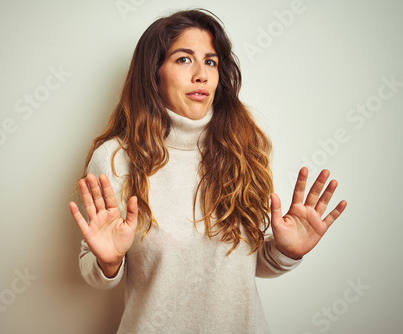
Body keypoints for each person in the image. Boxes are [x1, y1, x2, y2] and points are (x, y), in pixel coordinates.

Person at [69, 9, 347, 333]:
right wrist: (108, 261)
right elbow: (94, 270)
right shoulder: (116, 159)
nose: (201, 74)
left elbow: (247, 268)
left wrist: (285, 252)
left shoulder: (244, 149)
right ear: (153, 73)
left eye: (211, 62)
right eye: (184, 59)